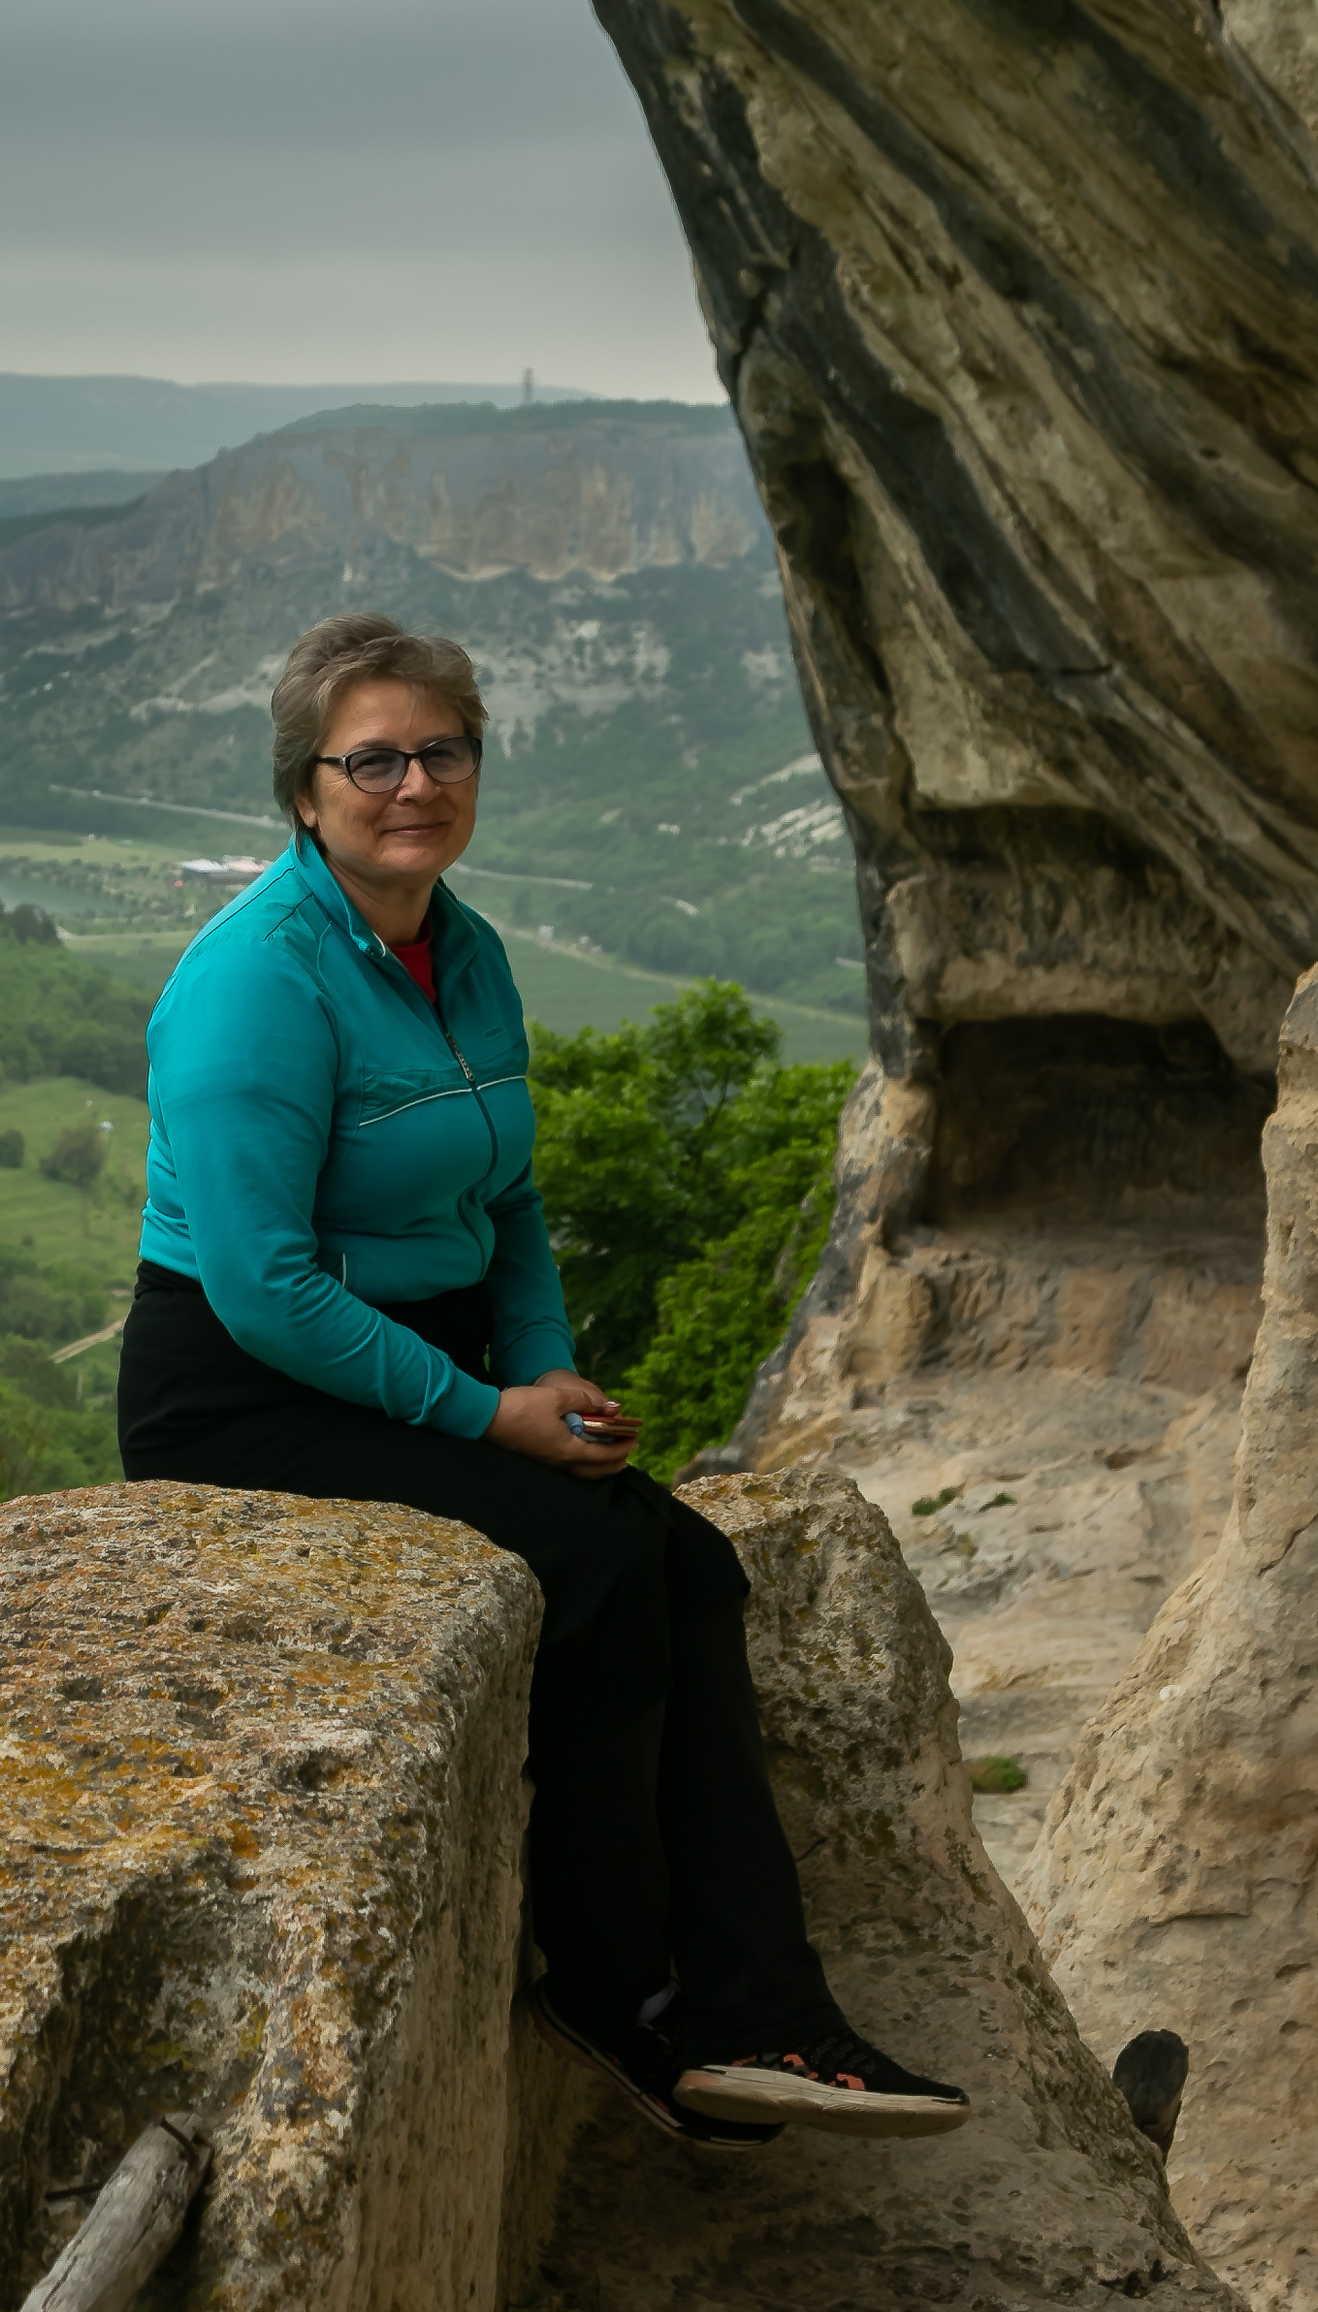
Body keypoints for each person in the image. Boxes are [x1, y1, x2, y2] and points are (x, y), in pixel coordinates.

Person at [116, 609, 966, 2148]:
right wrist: (485, 1416)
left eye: (442, 750)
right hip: (244, 1387)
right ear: (304, 793)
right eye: (369, 758)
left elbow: (504, 1200)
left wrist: (541, 1362)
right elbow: (263, 1287)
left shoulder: (465, 951)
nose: (412, 782)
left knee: (688, 1560)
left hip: (424, 1359)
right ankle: (625, 1994)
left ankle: (764, 2009)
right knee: (584, 1565)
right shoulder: (260, 982)